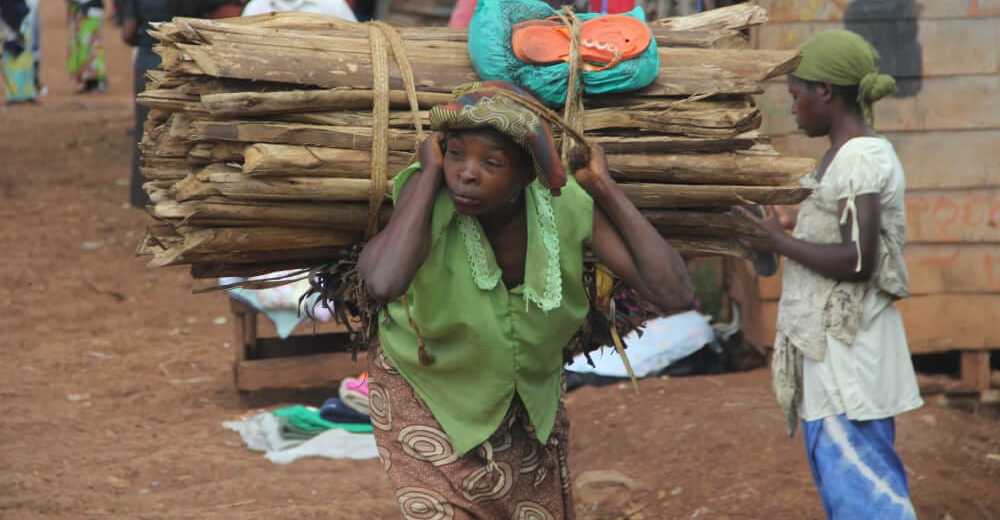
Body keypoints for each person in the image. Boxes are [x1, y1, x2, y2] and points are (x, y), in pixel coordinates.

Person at [355, 81, 694, 517]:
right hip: (426, 389)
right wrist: (426, 178)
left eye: (490, 162)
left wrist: (605, 188)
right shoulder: (427, 198)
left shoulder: (566, 205)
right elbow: (383, 281)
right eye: (456, 154)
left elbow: (674, 292)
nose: (467, 173)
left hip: (527, 402)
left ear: (526, 175)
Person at [738, 30, 922, 520]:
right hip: (834, 355)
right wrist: (782, 222)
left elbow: (858, 260)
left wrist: (778, 242)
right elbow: (831, 226)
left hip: (849, 361)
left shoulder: (861, 157)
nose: (793, 109)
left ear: (825, 91)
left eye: (796, 96)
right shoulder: (840, 158)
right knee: (852, 493)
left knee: (866, 499)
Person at [123, 0, 231, 207]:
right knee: (184, 130)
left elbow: (127, 34)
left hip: (149, 66)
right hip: (188, 69)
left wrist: (147, 42)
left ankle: (143, 195)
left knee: (146, 131)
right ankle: (182, 191)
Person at [0, 0, 32, 102]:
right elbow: (8, 5)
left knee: (11, 57)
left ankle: (14, 93)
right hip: (13, 22)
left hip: (8, 22)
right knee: (18, 56)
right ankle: (21, 93)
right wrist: (14, 28)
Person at [14, 0, 41, 93]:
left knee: (35, 45)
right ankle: (22, 82)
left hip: (33, 12)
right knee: (22, 46)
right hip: (20, 15)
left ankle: (35, 79)